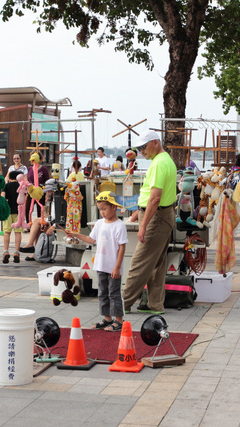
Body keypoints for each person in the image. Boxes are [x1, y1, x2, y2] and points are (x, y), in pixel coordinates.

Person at [123, 130, 177, 315]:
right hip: (164, 214)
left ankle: (122, 303)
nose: (141, 151)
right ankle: (155, 304)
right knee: (157, 263)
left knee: (140, 261)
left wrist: (143, 225)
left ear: (155, 142)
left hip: (157, 216)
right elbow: (153, 198)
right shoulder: (164, 160)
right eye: (139, 148)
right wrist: (140, 213)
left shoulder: (159, 163)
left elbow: (154, 199)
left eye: (143, 147)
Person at [66, 191, 128, 332]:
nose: (102, 212)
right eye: (100, 209)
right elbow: (91, 239)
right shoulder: (99, 224)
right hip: (100, 265)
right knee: (102, 292)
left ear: (114, 207)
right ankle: (107, 319)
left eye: (104, 209)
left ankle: (119, 320)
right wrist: (75, 234)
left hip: (113, 267)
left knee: (114, 293)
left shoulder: (119, 226)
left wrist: (117, 267)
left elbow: (122, 248)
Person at [1, 170, 22, 264]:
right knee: (18, 233)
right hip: (18, 212)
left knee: (7, 232)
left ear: (9, 178)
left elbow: (2, 198)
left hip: (7, 212)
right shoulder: (21, 186)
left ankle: (6, 251)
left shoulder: (6, 186)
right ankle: (16, 252)